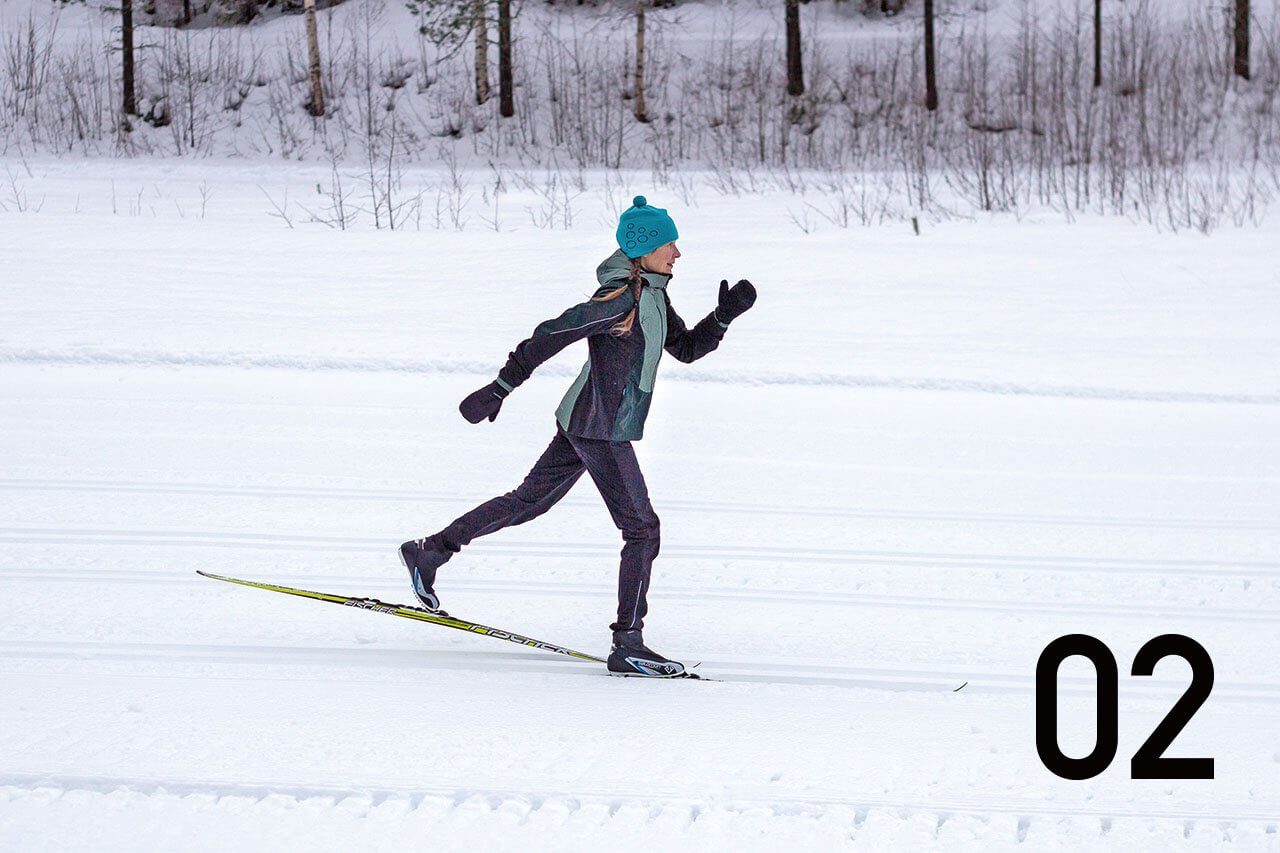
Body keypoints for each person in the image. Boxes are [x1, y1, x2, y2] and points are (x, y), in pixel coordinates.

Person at [399, 196, 757, 677]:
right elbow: (551, 333)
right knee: (642, 529)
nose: (677, 252)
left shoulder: (652, 295)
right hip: (601, 429)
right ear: (644, 247)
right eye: (669, 242)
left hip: (587, 421)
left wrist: (723, 318)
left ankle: (430, 552)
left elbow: (686, 349)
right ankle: (628, 643)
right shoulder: (619, 300)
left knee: (528, 501)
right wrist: (501, 387)